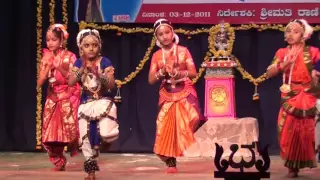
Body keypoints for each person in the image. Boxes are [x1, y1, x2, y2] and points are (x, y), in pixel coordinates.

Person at [266, 19, 320, 178]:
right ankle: (291, 166)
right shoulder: (281, 53)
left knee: (306, 132)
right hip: (289, 96)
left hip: (308, 95)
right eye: (288, 31)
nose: (290, 34)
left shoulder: (313, 52)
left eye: (295, 31)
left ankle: (302, 163)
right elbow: (269, 72)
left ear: (304, 35)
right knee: (287, 132)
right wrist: (283, 65)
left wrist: (316, 74)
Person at [148, 18, 201, 173]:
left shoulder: (183, 51)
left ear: (172, 32)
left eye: (167, 32)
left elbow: (193, 73)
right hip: (167, 93)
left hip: (184, 91)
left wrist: (178, 72)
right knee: (164, 127)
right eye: (160, 34)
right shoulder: (157, 56)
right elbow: (151, 80)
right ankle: (171, 161)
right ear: (157, 38)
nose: (164, 36)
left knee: (190, 119)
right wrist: (162, 71)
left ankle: (181, 147)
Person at [69, 29, 119, 180]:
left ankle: (101, 146)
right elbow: (71, 82)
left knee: (106, 134)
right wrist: (81, 71)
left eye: (94, 45)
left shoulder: (105, 61)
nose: (91, 48)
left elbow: (111, 85)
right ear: (81, 48)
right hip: (86, 103)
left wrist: (98, 74)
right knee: (85, 138)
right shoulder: (79, 62)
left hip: (103, 102)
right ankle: (91, 172)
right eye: (87, 45)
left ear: (99, 46)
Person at [37, 24, 81, 171]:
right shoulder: (45, 56)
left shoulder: (70, 57)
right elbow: (40, 83)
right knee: (49, 134)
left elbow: (73, 79)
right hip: (52, 98)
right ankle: (58, 160)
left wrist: (59, 66)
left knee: (70, 133)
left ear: (61, 40)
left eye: (54, 39)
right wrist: (47, 67)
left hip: (68, 96)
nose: (50, 43)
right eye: (48, 39)